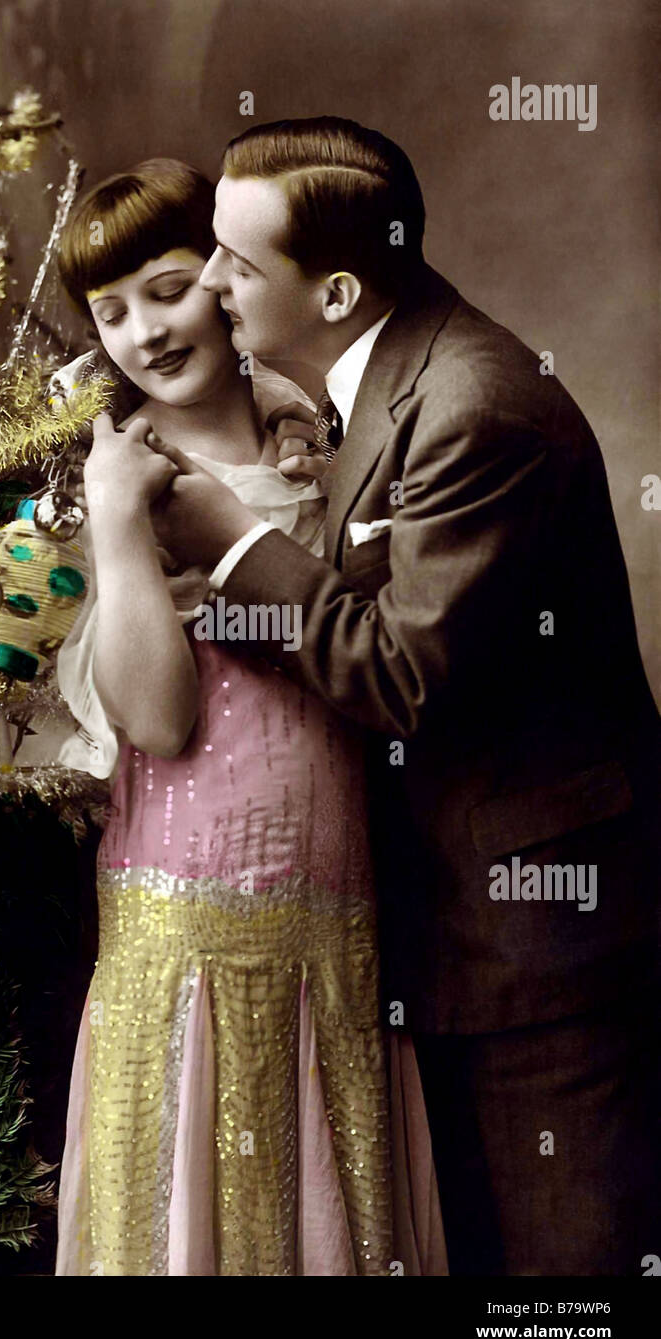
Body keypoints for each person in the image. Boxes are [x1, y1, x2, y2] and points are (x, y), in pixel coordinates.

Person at [146, 119, 661, 1276]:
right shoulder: (367, 375)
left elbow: (397, 673)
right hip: (442, 933)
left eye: (235, 262)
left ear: (333, 290)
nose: (210, 284)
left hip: (539, 952)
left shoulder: (475, 405)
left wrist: (228, 547)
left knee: (562, 1289)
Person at [50, 158, 447, 1276]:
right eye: (110, 312)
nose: (145, 330)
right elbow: (157, 720)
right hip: (181, 927)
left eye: (168, 287)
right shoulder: (114, 477)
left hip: (336, 918)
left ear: (228, 281)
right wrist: (122, 529)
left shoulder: (335, 447)